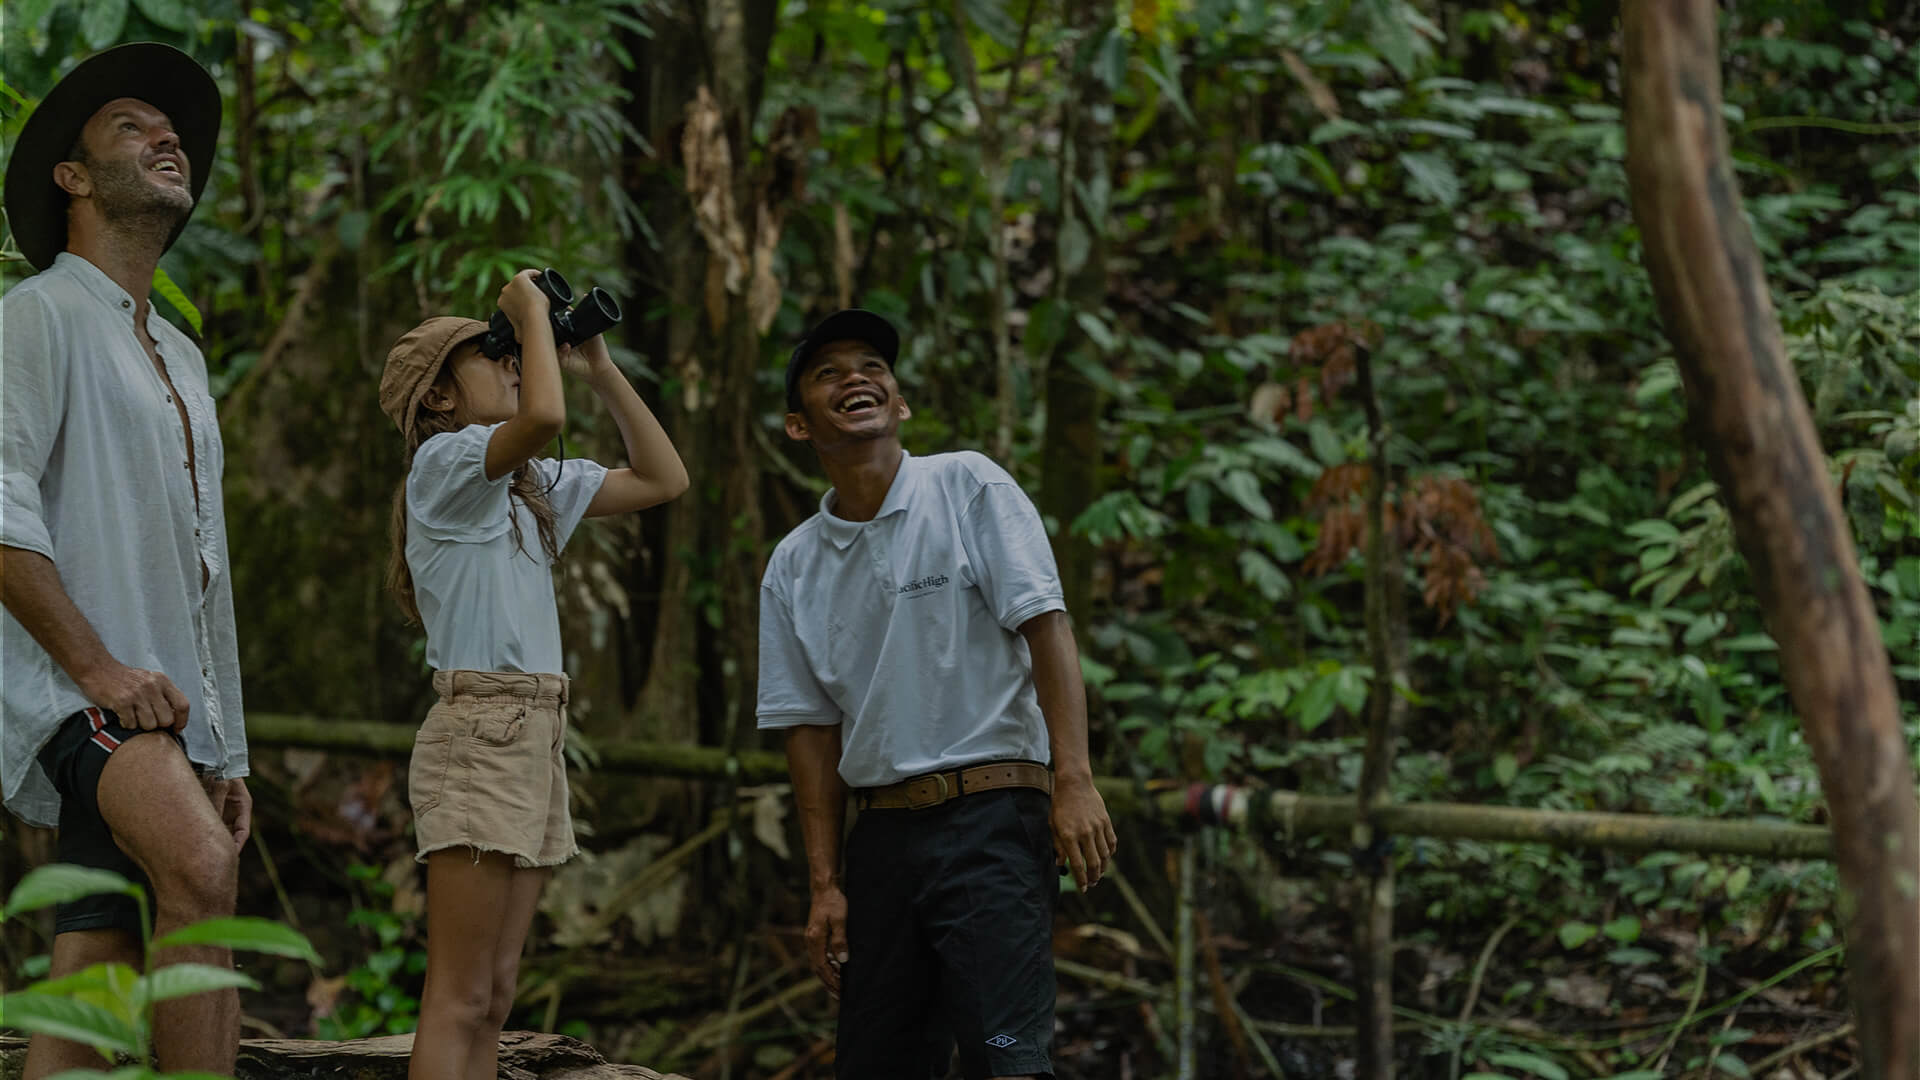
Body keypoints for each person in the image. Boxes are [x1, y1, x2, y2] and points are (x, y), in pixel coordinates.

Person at [756, 309, 1119, 1079]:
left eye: (872, 367)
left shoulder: (966, 485)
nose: (857, 377)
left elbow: (1046, 626)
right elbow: (808, 730)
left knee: (1007, 1063)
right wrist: (824, 884)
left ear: (900, 403)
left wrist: (1074, 779)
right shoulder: (793, 564)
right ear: (798, 426)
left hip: (991, 819)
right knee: (879, 1064)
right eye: (828, 373)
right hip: (881, 837)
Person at [1, 43, 253, 1076]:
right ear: (71, 175)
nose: (168, 137)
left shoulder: (181, 355)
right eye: (131, 125)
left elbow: (207, 570)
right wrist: (100, 671)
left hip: (170, 709)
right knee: (200, 872)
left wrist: (226, 751)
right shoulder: (37, 314)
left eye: (174, 128)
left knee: (92, 963)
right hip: (84, 694)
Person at [378, 274, 688, 1077]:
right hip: (482, 728)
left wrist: (600, 368)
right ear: (439, 397)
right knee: (457, 993)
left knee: (496, 992)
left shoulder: (526, 491)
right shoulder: (445, 466)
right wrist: (524, 313)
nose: (514, 360)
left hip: (532, 730)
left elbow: (663, 479)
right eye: (493, 354)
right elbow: (542, 417)